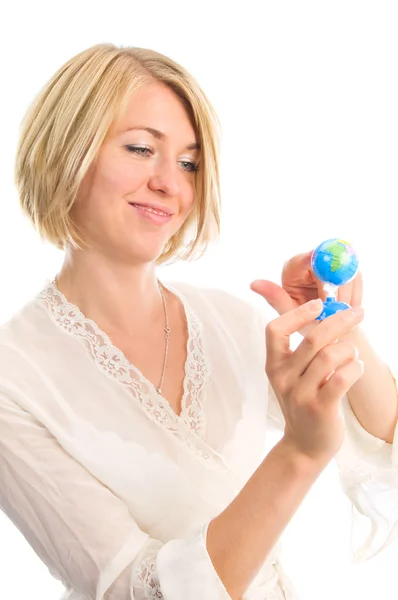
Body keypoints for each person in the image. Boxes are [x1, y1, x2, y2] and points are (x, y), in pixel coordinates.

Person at [0, 43, 397, 600]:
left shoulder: (230, 320)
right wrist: (299, 456)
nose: (171, 183)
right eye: (141, 149)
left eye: (189, 162)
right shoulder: (12, 380)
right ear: (66, 151)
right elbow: (135, 593)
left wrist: (336, 320)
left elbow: (381, 440)